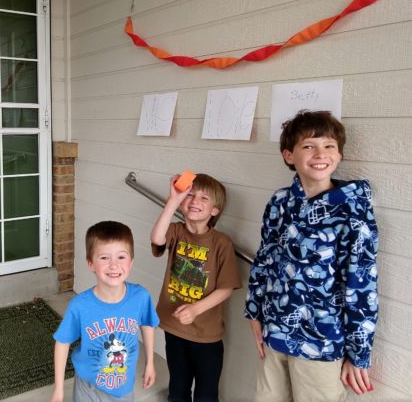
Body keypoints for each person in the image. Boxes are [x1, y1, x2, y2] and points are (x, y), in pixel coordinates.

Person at [244, 110, 379, 402]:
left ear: (339, 155)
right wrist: (254, 311)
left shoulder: (352, 213)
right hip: (276, 330)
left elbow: (361, 284)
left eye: (329, 146)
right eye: (309, 145)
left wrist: (359, 353)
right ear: (289, 155)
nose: (321, 153)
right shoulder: (280, 202)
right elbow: (264, 259)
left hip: (321, 343)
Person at [151, 173, 242, 402]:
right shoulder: (176, 231)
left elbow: (226, 287)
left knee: (206, 394)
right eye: (190, 195)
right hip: (174, 328)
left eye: (204, 198)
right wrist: (173, 199)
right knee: (178, 389)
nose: (195, 201)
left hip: (207, 336)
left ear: (215, 210)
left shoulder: (221, 242)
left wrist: (195, 309)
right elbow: (157, 237)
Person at [51, 221, 159, 402]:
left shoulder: (140, 297)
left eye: (121, 257)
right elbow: (62, 343)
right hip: (88, 387)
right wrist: (59, 389)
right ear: (90, 263)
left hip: (123, 387)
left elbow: (148, 324)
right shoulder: (80, 305)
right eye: (104, 258)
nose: (114, 265)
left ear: (131, 263)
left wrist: (150, 364)